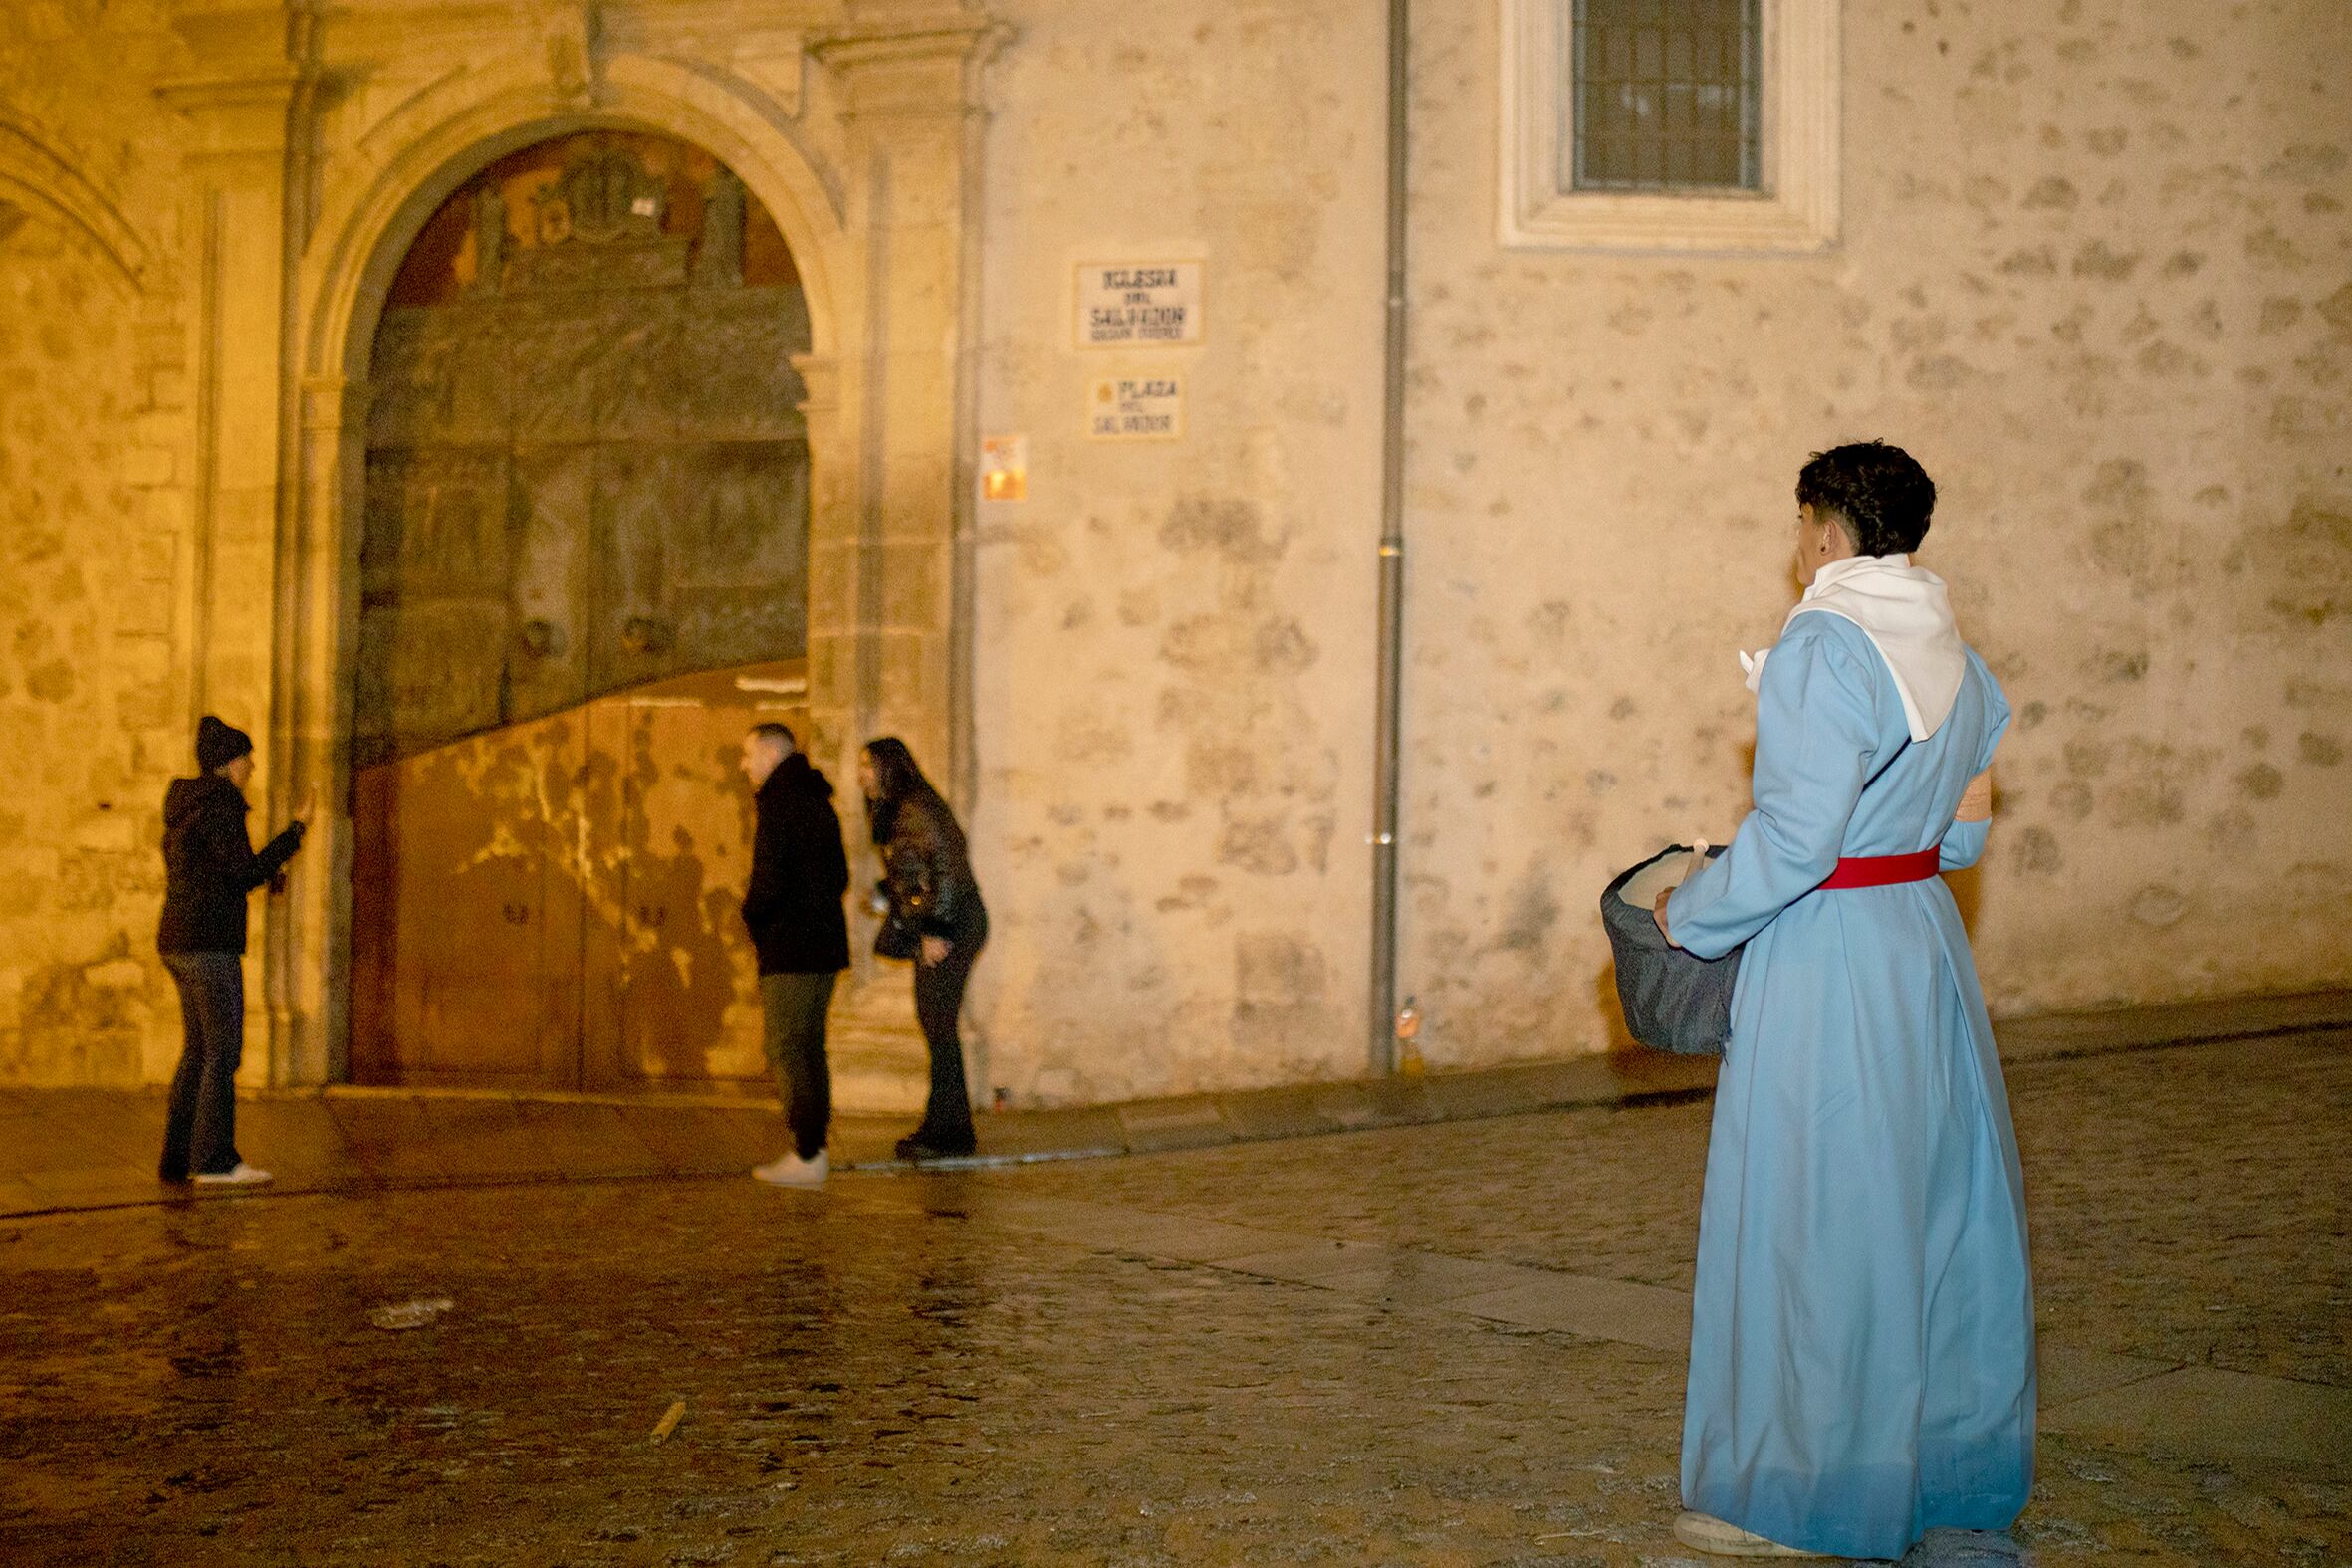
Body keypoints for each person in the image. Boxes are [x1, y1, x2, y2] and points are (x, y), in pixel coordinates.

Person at [1656, 442, 2029, 1560]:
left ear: (1823, 529)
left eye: (1801, 525)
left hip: (1828, 953)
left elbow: (1795, 839)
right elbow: (1964, 831)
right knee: (1929, 1212)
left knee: (1811, 1213)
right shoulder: (1953, 650)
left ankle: (1797, 1499)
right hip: (1919, 942)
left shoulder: (1824, 641)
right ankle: (1941, 1472)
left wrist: (1691, 914)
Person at [156, 716, 313, 1189]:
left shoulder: (186, 805)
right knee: (222, 1052)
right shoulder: (221, 804)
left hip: (178, 940)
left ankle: (177, 1157)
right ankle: (215, 1160)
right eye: (246, 757)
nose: (252, 766)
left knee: (198, 1052)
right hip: (209, 943)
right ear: (228, 763)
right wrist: (294, 834)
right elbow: (241, 872)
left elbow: (219, 871)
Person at [859, 737, 987, 1161]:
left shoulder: (914, 807)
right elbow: (914, 869)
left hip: (953, 923)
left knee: (938, 1023)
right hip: (944, 920)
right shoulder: (895, 809)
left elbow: (948, 864)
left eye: (868, 766)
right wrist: (885, 892)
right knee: (935, 1022)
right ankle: (947, 1125)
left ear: (890, 768)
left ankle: (949, 1130)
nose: (861, 775)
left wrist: (937, 929)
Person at [739, 722, 851, 1188]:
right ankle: (812, 1149)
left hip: (791, 946)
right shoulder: (816, 801)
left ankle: (806, 1152)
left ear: (769, 751)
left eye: (747, 754)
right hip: (822, 945)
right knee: (809, 1047)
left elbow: (767, 882)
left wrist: (756, 920)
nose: (744, 765)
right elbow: (840, 875)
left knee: (788, 1047)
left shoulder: (779, 803)